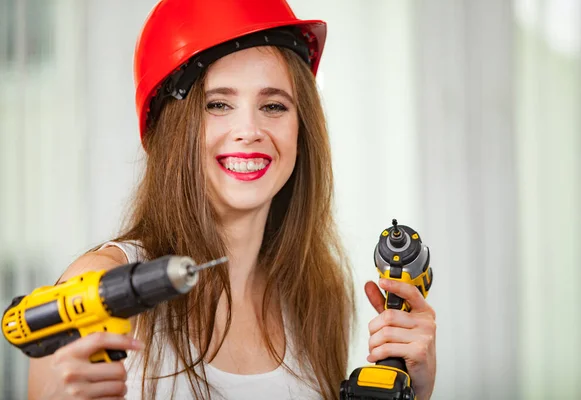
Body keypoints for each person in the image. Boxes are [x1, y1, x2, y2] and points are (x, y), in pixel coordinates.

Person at [27, 0, 437, 399]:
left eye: (274, 105)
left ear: (301, 128)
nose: (250, 130)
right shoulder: (102, 288)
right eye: (218, 104)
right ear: (170, 130)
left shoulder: (316, 295)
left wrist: (412, 392)